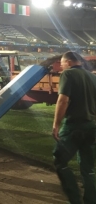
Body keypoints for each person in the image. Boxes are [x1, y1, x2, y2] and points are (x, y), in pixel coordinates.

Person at [52, 51, 96, 204]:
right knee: (88, 169)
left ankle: (75, 200)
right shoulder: (93, 76)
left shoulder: (68, 74)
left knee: (60, 161)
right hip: (91, 126)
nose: (61, 67)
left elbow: (63, 100)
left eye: (62, 63)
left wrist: (56, 125)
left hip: (73, 127)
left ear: (69, 62)